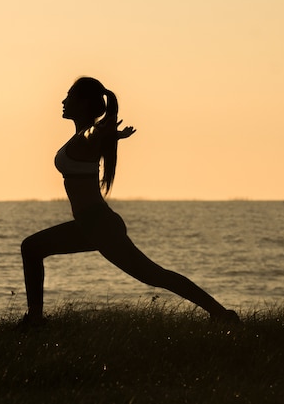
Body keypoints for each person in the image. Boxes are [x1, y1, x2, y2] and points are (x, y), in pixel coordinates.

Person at [20, 77, 239, 325]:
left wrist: (105, 131)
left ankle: (222, 314)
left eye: (69, 96)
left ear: (82, 104)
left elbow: (93, 134)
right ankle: (35, 319)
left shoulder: (88, 136)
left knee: (154, 275)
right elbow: (93, 136)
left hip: (98, 225)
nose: (63, 101)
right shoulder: (83, 137)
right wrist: (108, 134)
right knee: (32, 248)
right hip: (92, 224)